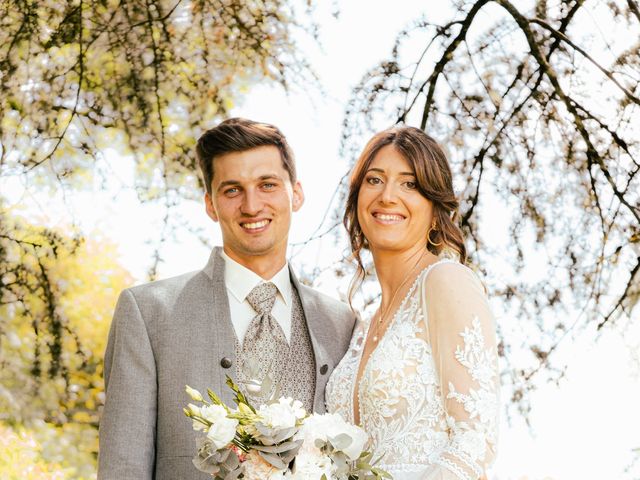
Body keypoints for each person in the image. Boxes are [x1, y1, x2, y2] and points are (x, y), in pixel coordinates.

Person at [98, 118, 356, 480]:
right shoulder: (149, 313)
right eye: (232, 190)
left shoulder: (341, 322)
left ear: (295, 194)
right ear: (210, 204)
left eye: (267, 185)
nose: (252, 206)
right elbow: (122, 467)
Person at [326, 126, 499, 480]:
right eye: (375, 180)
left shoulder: (445, 281)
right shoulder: (364, 325)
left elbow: (475, 440)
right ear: (357, 198)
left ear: (435, 209)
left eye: (410, 184)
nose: (388, 196)